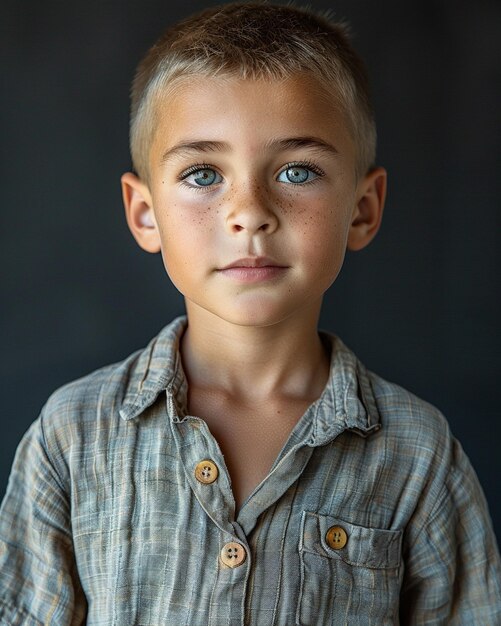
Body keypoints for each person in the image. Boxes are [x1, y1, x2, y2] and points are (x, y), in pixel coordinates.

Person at [1, 2, 500, 624]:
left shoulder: (419, 455)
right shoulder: (72, 437)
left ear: (363, 209)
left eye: (297, 171)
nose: (250, 212)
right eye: (204, 173)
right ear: (145, 213)